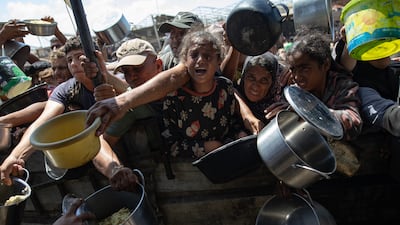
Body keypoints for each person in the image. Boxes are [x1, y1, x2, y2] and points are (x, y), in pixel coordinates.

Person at [0, 36, 137, 192]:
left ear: (96, 57)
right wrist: (16, 157)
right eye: (70, 59)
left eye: (80, 57)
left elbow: (133, 94)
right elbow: (43, 122)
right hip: (95, 145)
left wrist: (105, 75)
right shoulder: (65, 90)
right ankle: (116, 171)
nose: (74, 64)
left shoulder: (118, 76)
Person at [266, 29, 362, 141]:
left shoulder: (342, 85)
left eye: (305, 69)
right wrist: (285, 115)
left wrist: (311, 112)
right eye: (293, 70)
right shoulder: (295, 92)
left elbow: (353, 123)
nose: (296, 76)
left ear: (325, 65)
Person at [335, 26, 400, 178]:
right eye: (371, 42)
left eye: (383, 38)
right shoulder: (362, 91)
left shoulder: (393, 69)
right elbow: (392, 117)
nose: (380, 45)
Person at [162, 30, 236, 158]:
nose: (200, 61)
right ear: (185, 59)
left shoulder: (225, 88)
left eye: (207, 56)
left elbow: (234, 123)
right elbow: (170, 145)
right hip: (190, 172)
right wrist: (205, 147)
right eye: (194, 55)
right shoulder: (174, 97)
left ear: (218, 60)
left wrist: (235, 139)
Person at [101, 38, 163, 161]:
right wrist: (115, 169)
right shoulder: (131, 104)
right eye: (126, 72)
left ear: (158, 65)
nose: (132, 77)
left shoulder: (180, 80)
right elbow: (103, 143)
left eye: (137, 69)